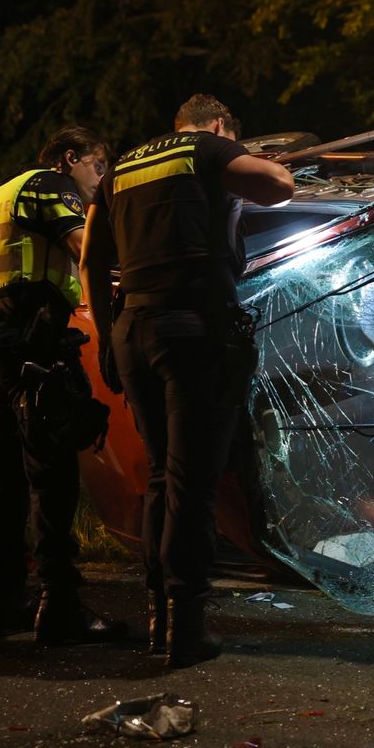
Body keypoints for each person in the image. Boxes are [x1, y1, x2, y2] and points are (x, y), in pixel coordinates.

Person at [80, 95, 294, 668]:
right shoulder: (207, 148)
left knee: (160, 475)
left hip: (132, 331)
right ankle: (186, 628)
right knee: (192, 484)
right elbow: (279, 186)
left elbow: (91, 262)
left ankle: (159, 619)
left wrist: (106, 340)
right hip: (195, 328)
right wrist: (251, 162)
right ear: (220, 125)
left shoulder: (123, 167)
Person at [0, 126, 127, 644]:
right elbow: (84, 248)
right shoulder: (52, 185)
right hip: (33, 331)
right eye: (98, 166)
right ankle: (59, 603)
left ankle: (7, 599)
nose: (101, 180)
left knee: (5, 472)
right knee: (52, 468)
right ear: (70, 159)